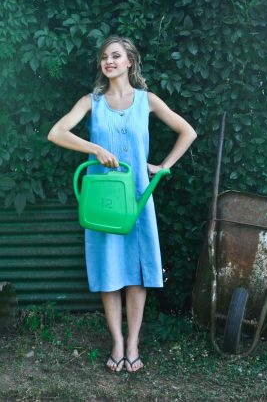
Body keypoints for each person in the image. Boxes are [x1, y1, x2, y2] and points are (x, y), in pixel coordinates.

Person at [48, 35, 197, 373]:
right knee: (109, 269)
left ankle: (133, 343)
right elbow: (56, 133)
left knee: (137, 273)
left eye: (116, 56)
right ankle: (117, 340)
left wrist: (162, 166)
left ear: (130, 61)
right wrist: (94, 149)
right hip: (102, 199)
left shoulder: (148, 100)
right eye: (104, 57)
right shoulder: (91, 101)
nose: (109, 61)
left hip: (137, 198)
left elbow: (187, 132)